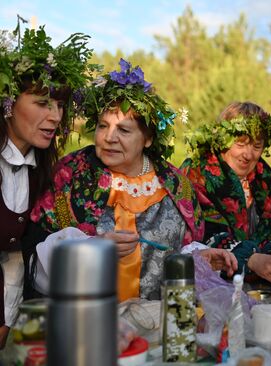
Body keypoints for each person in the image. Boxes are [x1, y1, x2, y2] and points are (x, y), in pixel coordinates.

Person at [25, 59, 237, 303]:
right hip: (87, 320)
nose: (109, 138)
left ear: (147, 138)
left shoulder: (175, 186)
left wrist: (199, 259)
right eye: (103, 126)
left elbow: (179, 250)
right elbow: (33, 258)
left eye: (124, 130)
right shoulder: (69, 175)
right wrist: (90, 251)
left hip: (156, 324)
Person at [0, 22, 95, 347]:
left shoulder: (41, 171)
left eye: (60, 105)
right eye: (43, 103)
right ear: (8, 102)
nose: (55, 116)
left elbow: (16, 253)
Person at [181, 101, 271, 283]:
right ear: (222, 140)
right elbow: (202, 234)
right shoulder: (198, 172)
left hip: (262, 283)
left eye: (256, 146)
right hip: (210, 285)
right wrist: (251, 258)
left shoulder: (262, 175)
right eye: (241, 144)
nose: (248, 154)